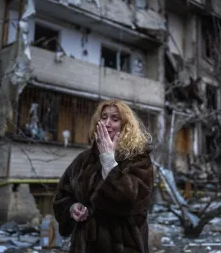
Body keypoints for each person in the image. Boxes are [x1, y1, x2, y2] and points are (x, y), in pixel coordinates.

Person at [53, 99, 154, 253]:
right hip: (85, 246)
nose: (107, 123)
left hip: (123, 245)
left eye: (115, 119)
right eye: (104, 117)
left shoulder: (138, 158)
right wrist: (72, 208)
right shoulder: (84, 159)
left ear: (126, 125)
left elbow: (130, 199)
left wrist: (108, 159)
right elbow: (62, 196)